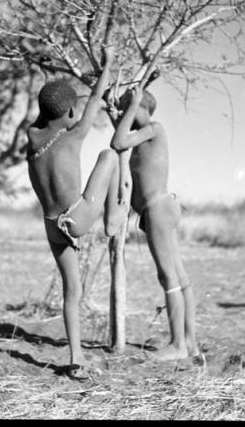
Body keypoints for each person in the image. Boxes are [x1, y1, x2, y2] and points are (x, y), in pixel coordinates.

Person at [26, 46, 129, 380]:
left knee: (73, 291)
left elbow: (45, 110)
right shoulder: (74, 135)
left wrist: (46, 79)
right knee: (109, 155)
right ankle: (113, 218)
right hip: (78, 217)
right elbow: (97, 98)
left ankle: (76, 359)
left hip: (52, 225)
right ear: (71, 110)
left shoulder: (32, 138)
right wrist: (108, 66)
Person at [110, 83, 202, 362]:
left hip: (159, 209)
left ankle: (178, 345)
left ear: (142, 107)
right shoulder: (141, 134)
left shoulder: (155, 128)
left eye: (130, 107)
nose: (124, 111)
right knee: (179, 277)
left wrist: (132, 101)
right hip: (160, 210)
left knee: (169, 277)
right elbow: (122, 134)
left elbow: (117, 142)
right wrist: (116, 107)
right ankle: (190, 343)